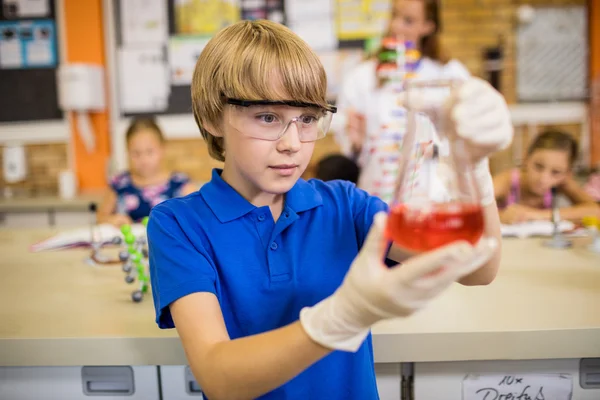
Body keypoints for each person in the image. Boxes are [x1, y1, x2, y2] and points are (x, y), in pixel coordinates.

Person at [147, 20, 512, 399]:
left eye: (307, 119)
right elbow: (218, 378)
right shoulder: (179, 224)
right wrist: (340, 318)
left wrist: (471, 166)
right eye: (268, 117)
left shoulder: (343, 206)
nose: (292, 143)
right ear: (211, 116)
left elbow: (478, 267)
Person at [96, 118, 197, 226]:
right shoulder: (119, 184)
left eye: (150, 152)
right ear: (127, 152)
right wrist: (112, 220)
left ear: (162, 149)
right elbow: (100, 217)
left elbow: (197, 216)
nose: (143, 160)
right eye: (136, 153)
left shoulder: (180, 184)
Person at [493, 130, 600, 224]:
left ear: (567, 174)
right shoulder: (508, 181)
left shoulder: (562, 183)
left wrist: (538, 215)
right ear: (526, 158)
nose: (543, 179)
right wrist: (500, 216)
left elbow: (596, 211)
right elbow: (476, 205)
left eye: (556, 172)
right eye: (538, 166)